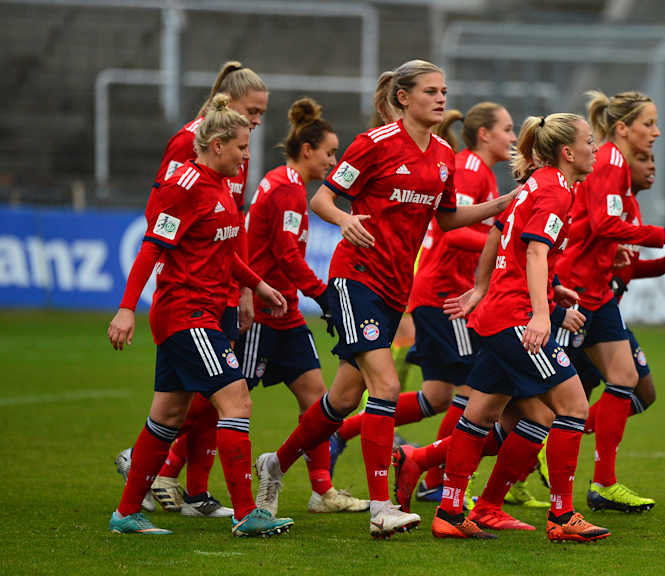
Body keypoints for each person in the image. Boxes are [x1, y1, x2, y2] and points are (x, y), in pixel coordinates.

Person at [253, 59, 512, 539]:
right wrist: (344, 219)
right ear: (403, 97)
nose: (441, 98)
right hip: (356, 278)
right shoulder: (374, 144)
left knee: (342, 399)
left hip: (395, 289)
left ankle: (275, 463)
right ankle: (381, 507)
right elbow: (322, 199)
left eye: (444, 90)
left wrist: (500, 205)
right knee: (386, 387)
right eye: (430, 90)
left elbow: (447, 219)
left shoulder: (443, 154)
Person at [107, 95, 293, 537]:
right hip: (186, 313)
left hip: (201, 311)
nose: (246, 156)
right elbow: (151, 248)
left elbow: (222, 252)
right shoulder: (185, 187)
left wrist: (258, 285)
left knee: (168, 416)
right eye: (241, 147)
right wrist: (126, 309)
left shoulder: (220, 186)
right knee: (237, 400)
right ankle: (247, 514)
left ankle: (126, 514)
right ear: (216, 145)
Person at [430, 112, 609, 543]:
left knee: (480, 414)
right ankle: (562, 516)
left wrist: (490, 288)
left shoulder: (539, 183)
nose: (595, 148)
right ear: (568, 152)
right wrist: (542, 315)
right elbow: (534, 252)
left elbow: (500, 236)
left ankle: (450, 511)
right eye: (589, 141)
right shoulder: (555, 191)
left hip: (497, 315)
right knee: (573, 407)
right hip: (514, 318)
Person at [555, 90, 665, 513]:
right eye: (648, 124)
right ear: (622, 128)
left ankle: (604, 483)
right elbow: (603, 224)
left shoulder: (615, 169)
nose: (656, 132)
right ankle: (432, 463)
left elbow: (609, 238)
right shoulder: (610, 162)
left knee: (626, 379)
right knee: (518, 409)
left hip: (598, 294)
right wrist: (661, 235)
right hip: (573, 292)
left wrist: (659, 262)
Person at [240, 97, 368, 514]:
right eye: (330, 152)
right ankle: (157, 464)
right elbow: (286, 256)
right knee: (223, 401)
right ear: (307, 149)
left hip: (286, 311)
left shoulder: (285, 183)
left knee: (316, 400)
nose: (333, 161)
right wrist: (324, 294)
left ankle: (321, 491)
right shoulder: (285, 188)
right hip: (264, 311)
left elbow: (285, 255)